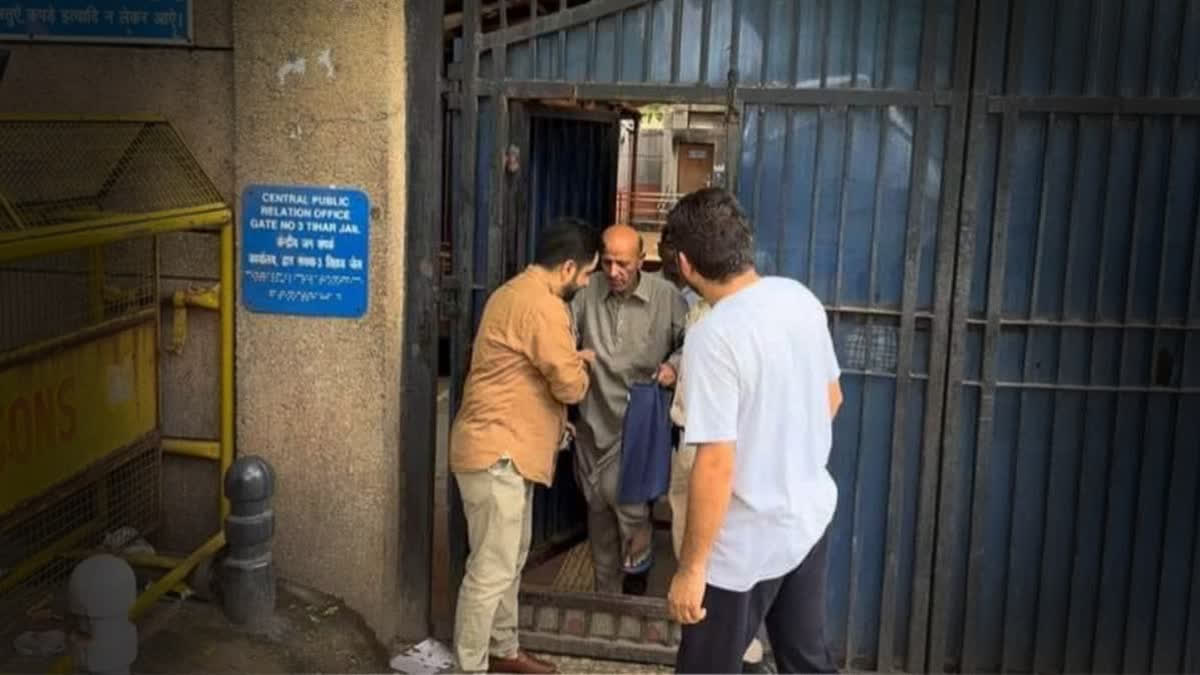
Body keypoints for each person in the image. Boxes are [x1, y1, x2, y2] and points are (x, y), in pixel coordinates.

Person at [662, 188, 844, 674]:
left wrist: (691, 569)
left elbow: (716, 463)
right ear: (744, 242)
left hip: (740, 549)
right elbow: (832, 398)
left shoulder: (713, 336)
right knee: (806, 659)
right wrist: (782, 452)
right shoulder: (799, 299)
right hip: (805, 521)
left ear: (684, 264)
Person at [449, 217, 601, 674]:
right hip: (498, 455)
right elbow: (570, 386)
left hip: (505, 453)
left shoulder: (511, 293)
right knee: (491, 570)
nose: (588, 282)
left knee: (508, 562)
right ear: (569, 268)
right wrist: (583, 364)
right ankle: (470, 666)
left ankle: (504, 650)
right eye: (588, 273)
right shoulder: (543, 306)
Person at [658, 233, 766, 673]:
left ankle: (733, 647)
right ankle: (724, 641)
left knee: (709, 552)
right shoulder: (701, 308)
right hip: (692, 437)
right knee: (694, 532)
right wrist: (676, 365)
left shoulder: (736, 317)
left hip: (713, 446)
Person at [570, 224, 688, 595]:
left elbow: (693, 344)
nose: (614, 272)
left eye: (624, 263)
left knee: (634, 516)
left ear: (642, 260)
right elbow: (562, 336)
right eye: (607, 263)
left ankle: (635, 594)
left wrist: (674, 366)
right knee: (598, 515)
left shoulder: (667, 297)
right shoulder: (586, 295)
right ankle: (606, 598)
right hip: (593, 424)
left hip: (639, 428)